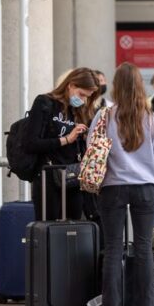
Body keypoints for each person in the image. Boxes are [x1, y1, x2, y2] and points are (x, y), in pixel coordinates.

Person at [90, 63, 154, 306]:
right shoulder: (153, 119)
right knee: (144, 249)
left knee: (113, 249)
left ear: (115, 86)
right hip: (145, 188)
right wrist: (146, 169)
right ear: (140, 86)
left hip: (111, 187)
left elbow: (93, 151)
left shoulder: (103, 116)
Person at [23, 67, 99, 221]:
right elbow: (31, 143)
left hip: (73, 176)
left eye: (87, 97)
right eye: (81, 94)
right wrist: (65, 139)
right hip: (48, 175)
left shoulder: (80, 110)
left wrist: (83, 138)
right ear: (71, 85)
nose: (83, 100)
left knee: (73, 228)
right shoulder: (44, 102)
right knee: (49, 228)